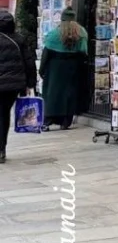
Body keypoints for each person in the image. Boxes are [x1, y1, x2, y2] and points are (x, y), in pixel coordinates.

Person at [40, 9, 88, 130]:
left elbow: (46, 54)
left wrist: (42, 70)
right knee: (69, 95)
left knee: (52, 94)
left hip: (54, 69)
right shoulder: (81, 33)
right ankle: (65, 122)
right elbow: (83, 53)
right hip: (73, 68)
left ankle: (48, 120)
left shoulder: (53, 34)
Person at [0, 11, 37, 162]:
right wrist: (30, 83)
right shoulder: (19, 40)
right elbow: (29, 63)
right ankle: (1, 148)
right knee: (3, 114)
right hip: (13, 86)